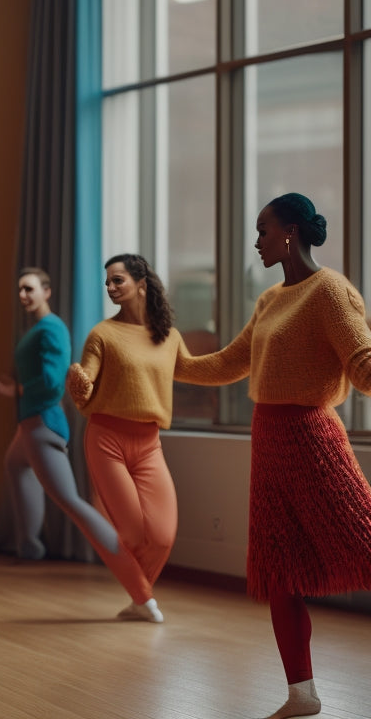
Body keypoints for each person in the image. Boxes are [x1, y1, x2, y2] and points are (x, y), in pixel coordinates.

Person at [173, 193, 371, 719]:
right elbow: (225, 364)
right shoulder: (269, 301)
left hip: (314, 441)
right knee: (278, 571)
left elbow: (362, 363)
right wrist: (168, 359)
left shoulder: (330, 291)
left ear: (290, 232)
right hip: (269, 445)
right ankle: (301, 694)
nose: (256, 241)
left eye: (262, 230)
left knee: (365, 545)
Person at [66, 253, 191, 623]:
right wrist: (79, 384)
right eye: (107, 282)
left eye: (117, 280)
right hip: (107, 439)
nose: (110, 287)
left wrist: (250, 354)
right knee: (133, 533)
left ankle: (138, 599)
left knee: (163, 535)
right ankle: (143, 598)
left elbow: (198, 369)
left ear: (141, 284)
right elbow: (85, 383)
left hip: (149, 442)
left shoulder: (167, 337)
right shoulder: (102, 334)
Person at [0, 267, 121, 570]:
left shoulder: (51, 329)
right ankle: (30, 547)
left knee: (68, 498)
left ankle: (124, 555)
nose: (23, 295)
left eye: (30, 288)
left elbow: (53, 382)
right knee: (15, 465)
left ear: (46, 292)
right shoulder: (38, 329)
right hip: (30, 423)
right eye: (20, 290)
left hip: (42, 422)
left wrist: (19, 388)